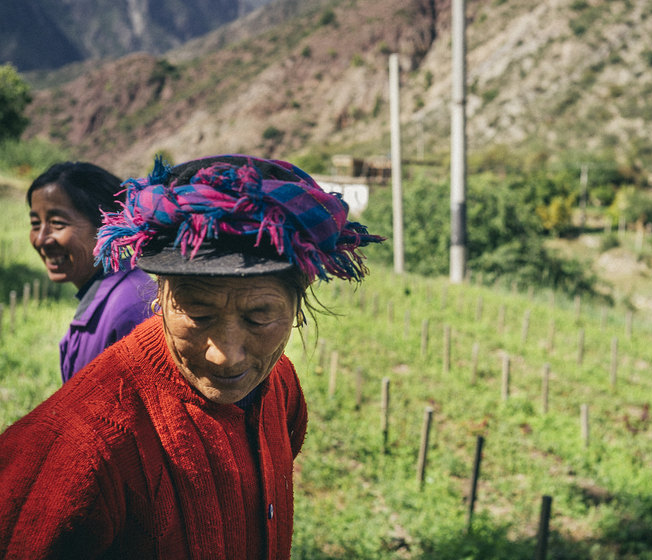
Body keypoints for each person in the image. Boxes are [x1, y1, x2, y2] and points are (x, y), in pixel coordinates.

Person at [0, 154, 384, 558]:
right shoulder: (79, 445)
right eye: (198, 314)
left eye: (259, 317)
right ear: (160, 296)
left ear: (298, 305)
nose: (225, 357)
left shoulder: (280, 386)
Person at [27, 161, 156, 382]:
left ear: (107, 225)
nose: (40, 239)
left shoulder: (132, 309)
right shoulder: (112, 295)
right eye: (35, 223)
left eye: (57, 223)